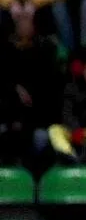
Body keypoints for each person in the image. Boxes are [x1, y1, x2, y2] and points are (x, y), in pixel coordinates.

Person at [0, 11, 60, 171]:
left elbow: (50, 91)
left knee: (41, 138)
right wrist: (15, 88)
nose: (24, 25)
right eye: (20, 21)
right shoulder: (6, 51)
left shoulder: (45, 50)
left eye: (27, 21)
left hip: (38, 118)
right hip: (9, 116)